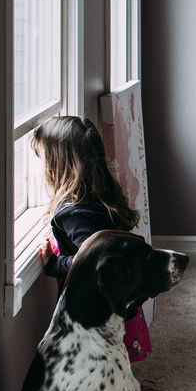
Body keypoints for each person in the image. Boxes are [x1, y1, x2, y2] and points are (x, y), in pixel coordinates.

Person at [32, 115, 151, 362]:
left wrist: (55, 264)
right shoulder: (98, 194)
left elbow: (92, 258)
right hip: (116, 296)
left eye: (42, 159)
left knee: (98, 366)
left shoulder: (74, 212)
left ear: (57, 164)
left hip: (99, 310)